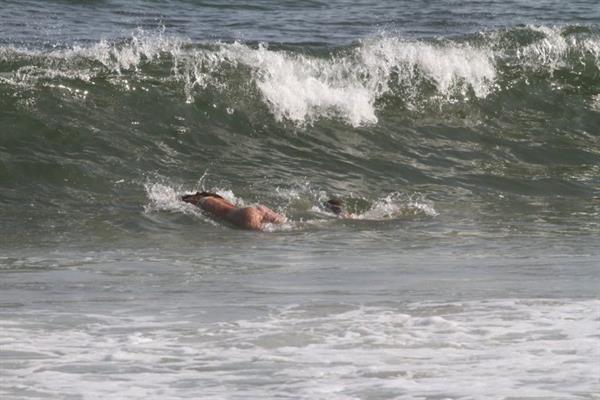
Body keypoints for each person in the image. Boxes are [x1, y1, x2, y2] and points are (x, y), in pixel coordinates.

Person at [182, 191, 286, 230]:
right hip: (256, 208)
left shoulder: (202, 201)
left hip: (245, 216)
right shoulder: (219, 199)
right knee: (285, 224)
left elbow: (189, 203)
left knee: (267, 233)